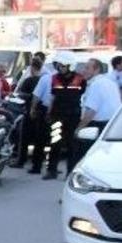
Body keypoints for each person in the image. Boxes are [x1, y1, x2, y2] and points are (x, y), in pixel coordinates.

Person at [44, 51, 87, 180]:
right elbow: (53, 96)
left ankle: (70, 172)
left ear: (70, 65)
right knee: (55, 142)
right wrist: (49, 112)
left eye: (62, 66)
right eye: (58, 66)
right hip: (57, 115)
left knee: (71, 145)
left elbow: (85, 98)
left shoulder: (80, 79)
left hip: (73, 117)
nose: (60, 68)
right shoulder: (54, 78)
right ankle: (51, 171)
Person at [76, 58, 121, 161]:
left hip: (96, 127)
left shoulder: (96, 84)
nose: (84, 71)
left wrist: (79, 128)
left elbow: (91, 111)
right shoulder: (110, 82)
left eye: (87, 68)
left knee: (84, 159)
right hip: (111, 126)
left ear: (96, 70)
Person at [13, 57, 44, 168]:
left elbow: (20, 94)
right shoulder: (44, 79)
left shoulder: (29, 80)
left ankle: (21, 161)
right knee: (39, 138)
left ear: (32, 67)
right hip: (42, 111)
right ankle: (37, 163)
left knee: (24, 137)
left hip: (29, 109)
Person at [29, 58, 55, 174]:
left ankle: (37, 167)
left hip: (45, 110)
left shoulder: (45, 78)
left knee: (40, 139)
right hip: (58, 111)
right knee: (55, 139)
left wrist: (33, 109)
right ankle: (52, 167)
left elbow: (36, 96)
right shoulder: (59, 79)